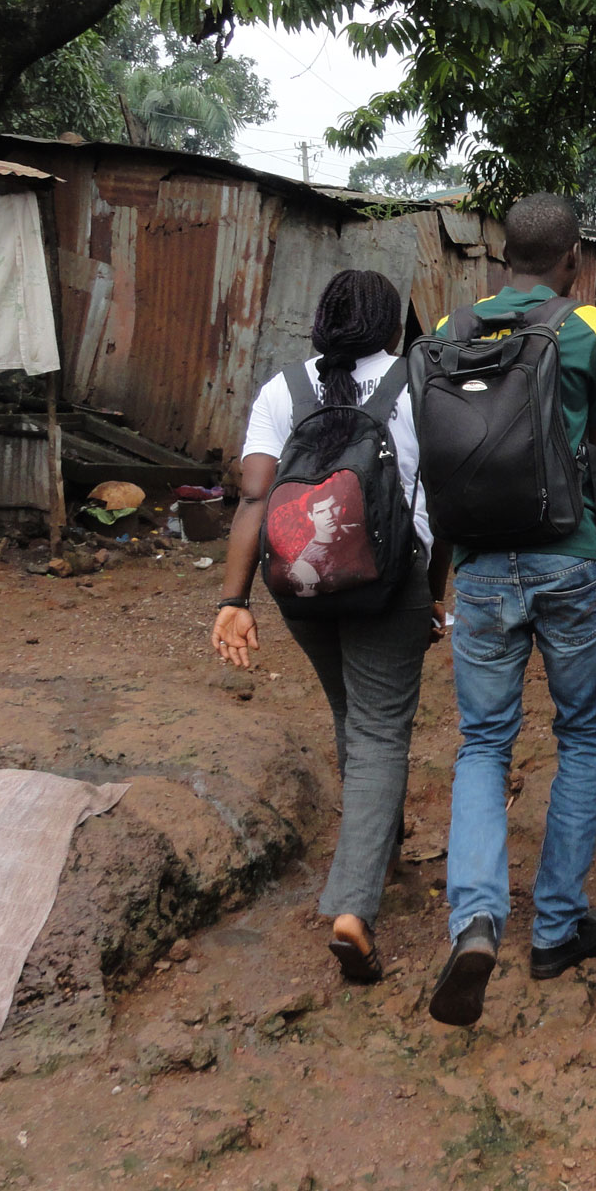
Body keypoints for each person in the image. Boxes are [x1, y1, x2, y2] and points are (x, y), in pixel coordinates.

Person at [426, 193, 596, 1028]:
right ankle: (555, 927)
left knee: (482, 742)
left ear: (501, 256)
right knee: (580, 734)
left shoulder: (450, 329)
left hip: (478, 566)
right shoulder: (589, 327)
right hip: (566, 556)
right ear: (574, 257)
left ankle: (475, 919)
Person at [212, 269, 448, 986]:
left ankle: (384, 846)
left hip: (301, 583)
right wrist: (435, 592)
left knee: (354, 715)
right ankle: (352, 908)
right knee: (380, 730)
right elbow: (440, 498)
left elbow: (255, 495)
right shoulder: (417, 383)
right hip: (390, 582)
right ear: (389, 327)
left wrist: (235, 599)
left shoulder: (283, 389)